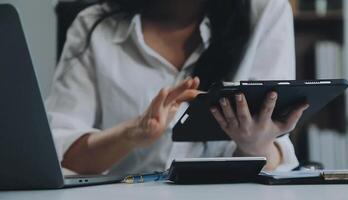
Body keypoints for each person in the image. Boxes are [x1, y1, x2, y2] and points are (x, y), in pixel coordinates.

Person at [46, 0, 309, 176]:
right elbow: (63, 157)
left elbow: (275, 159)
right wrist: (130, 134)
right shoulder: (93, 26)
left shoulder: (265, 12)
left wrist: (256, 145)